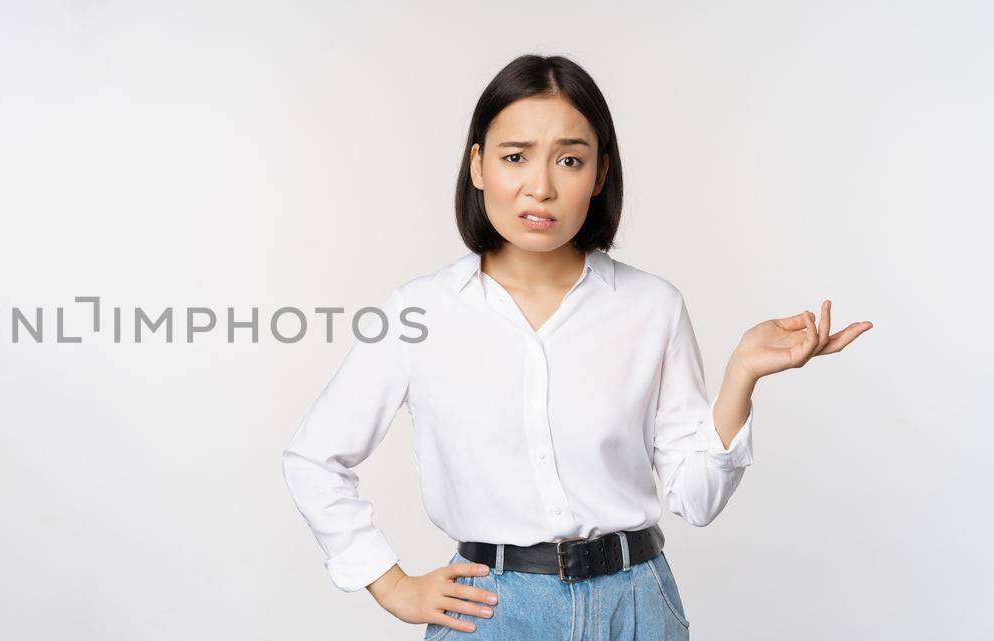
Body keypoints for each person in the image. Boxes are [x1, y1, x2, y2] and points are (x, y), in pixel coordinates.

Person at [279, 54, 872, 640]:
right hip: (492, 612)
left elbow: (696, 500)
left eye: (569, 160)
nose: (541, 187)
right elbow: (314, 458)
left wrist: (741, 375)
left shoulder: (652, 307)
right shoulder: (420, 312)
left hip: (638, 605)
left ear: (601, 173)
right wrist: (391, 584)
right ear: (479, 165)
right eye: (515, 158)